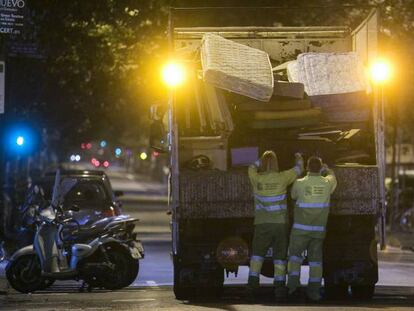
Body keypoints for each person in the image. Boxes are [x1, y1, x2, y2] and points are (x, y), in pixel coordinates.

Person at [247, 151, 304, 301]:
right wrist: (298, 156)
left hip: (262, 224)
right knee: (279, 258)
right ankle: (279, 289)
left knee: (257, 257)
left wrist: (260, 160)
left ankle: (252, 287)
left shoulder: (256, 178)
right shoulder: (283, 177)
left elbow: (251, 167)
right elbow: (299, 169)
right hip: (280, 225)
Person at [287, 156, 337, 302]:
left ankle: (293, 289)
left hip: (300, 231)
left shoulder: (299, 183)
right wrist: (327, 169)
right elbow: (333, 177)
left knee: (295, 258)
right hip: (318, 231)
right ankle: (314, 292)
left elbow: (293, 196)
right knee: (315, 262)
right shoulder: (327, 183)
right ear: (320, 168)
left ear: (307, 168)